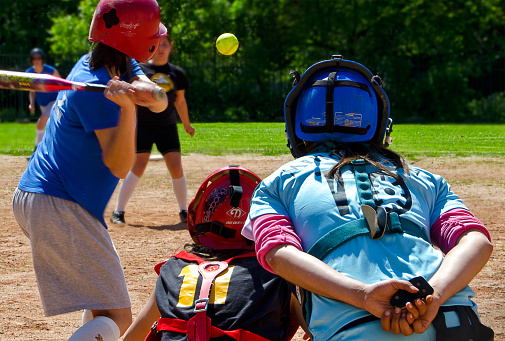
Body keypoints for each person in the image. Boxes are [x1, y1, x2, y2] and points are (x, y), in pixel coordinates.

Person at [242, 56, 494, 340]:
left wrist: (362, 295)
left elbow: (277, 255)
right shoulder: (423, 177)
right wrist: (434, 295)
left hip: (354, 327)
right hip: (455, 321)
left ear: (295, 126)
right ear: (380, 124)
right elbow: (476, 241)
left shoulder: (277, 183)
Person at [12, 1, 168, 340]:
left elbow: (159, 99)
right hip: (59, 203)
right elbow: (119, 164)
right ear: (138, 39)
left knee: (104, 306)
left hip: (49, 197)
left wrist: (149, 93)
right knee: (118, 318)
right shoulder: (94, 85)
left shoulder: (112, 62)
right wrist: (128, 109)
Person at [122, 166, 304, 341]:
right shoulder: (279, 271)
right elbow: (322, 331)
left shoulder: (173, 269)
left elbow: (132, 338)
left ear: (199, 218)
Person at [110, 33, 195, 225]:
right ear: (152, 47)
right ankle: (118, 211)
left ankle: (184, 211)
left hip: (167, 126)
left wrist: (187, 124)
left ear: (170, 48)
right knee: (137, 167)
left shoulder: (176, 72)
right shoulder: (139, 70)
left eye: (165, 44)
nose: (162, 48)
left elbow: (180, 101)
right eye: (159, 45)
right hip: (144, 126)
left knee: (176, 167)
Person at [26, 48, 61, 147]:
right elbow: (32, 91)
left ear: (42, 59)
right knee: (51, 126)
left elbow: (62, 84)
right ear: (31, 60)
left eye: (39, 58)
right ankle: (52, 148)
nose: (36, 60)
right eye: (34, 58)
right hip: (42, 102)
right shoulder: (29, 73)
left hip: (54, 99)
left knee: (40, 124)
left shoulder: (51, 71)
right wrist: (31, 103)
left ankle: (37, 149)